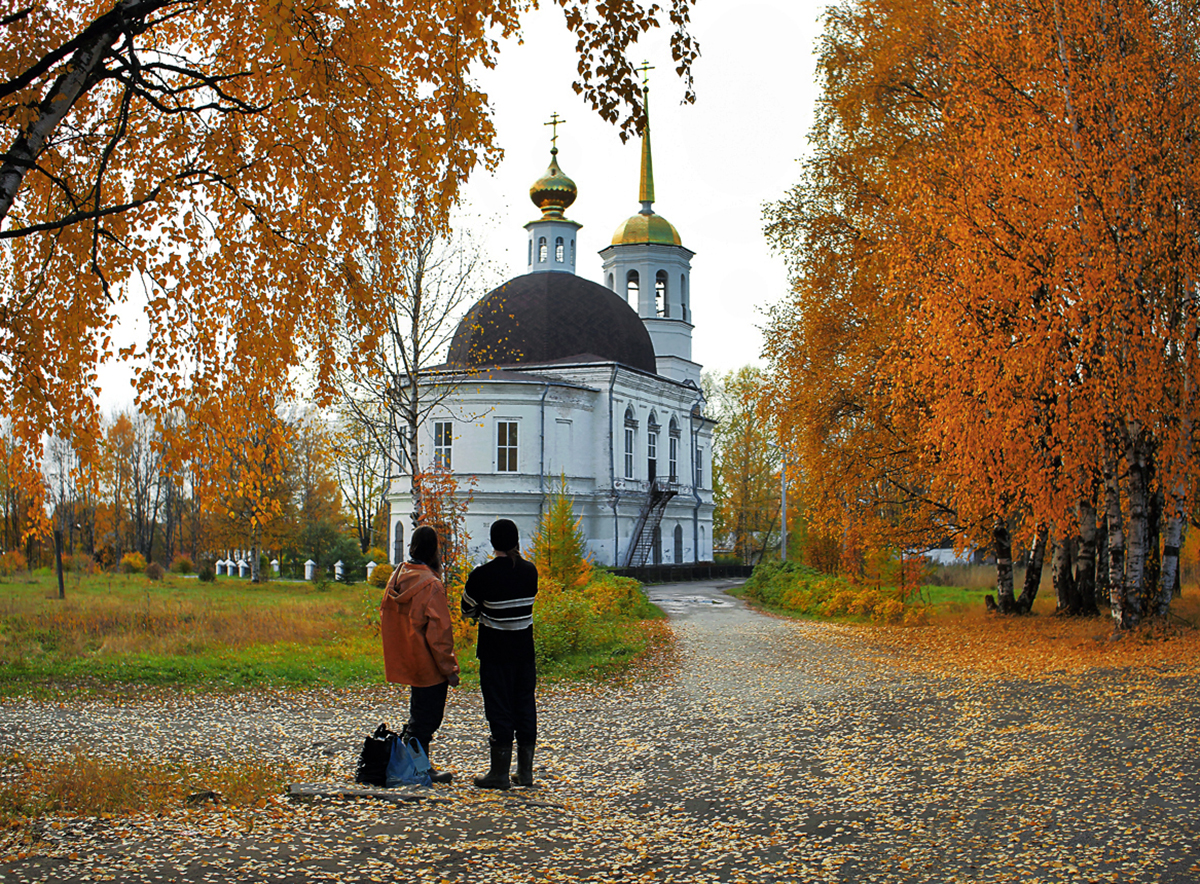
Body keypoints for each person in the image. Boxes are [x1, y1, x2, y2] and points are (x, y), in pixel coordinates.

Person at [461, 518, 539, 789]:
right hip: (524, 652)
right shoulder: (531, 571)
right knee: (525, 706)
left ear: (493, 542)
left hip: (495, 653)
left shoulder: (482, 575)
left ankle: (499, 774)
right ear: (516, 540)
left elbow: (467, 609)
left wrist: (485, 611)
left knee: (499, 708)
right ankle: (525, 773)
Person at [380, 525, 460, 784]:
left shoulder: (397, 576)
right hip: (428, 665)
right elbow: (440, 635)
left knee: (419, 716)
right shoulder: (431, 585)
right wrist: (450, 669)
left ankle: (415, 765)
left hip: (406, 657)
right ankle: (419, 769)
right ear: (434, 549)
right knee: (426, 721)